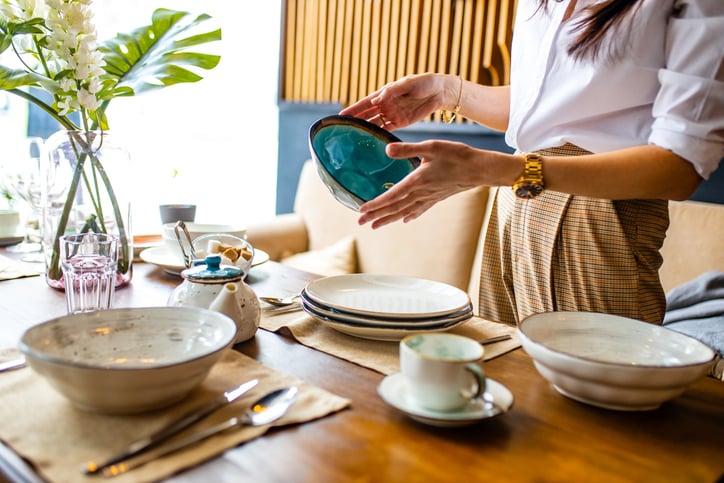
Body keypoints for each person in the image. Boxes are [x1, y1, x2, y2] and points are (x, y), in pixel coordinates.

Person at [340, 0, 724, 326]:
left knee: (595, 408)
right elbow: (543, 112)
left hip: (600, 214)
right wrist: (447, 91)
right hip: (515, 204)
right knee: (506, 381)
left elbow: (681, 165)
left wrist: (502, 170)